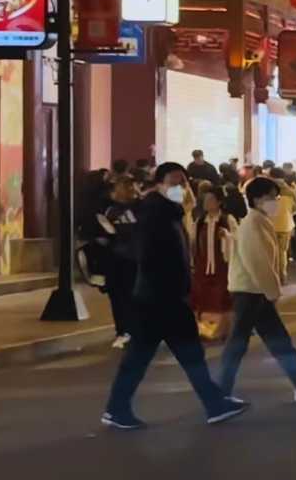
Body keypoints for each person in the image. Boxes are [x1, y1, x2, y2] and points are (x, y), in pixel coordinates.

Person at [101, 162, 249, 430]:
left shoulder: (168, 212)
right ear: (159, 184)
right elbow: (147, 254)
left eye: (183, 181)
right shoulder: (155, 213)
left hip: (162, 297)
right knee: (171, 354)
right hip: (160, 298)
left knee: (161, 355)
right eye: (174, 181)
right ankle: (213, 404)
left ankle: (119, 408)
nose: (181, 187)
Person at [215, 178, 296, 402]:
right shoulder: (253, 224)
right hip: (250, 291)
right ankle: (221, 392)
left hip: (253, 291)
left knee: (272, 339)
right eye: (271, 197)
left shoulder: (259, 221)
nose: (275, 202)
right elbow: (258, 263)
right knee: (242, 343)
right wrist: (272, 293)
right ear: (257, 199)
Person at [93, 173, 141, 347]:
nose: (127, 190)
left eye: (130, 186)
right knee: (117, 295)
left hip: (136, 259)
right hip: (115, 258)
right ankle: (122, 330)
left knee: (135, 295)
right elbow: (100, 232)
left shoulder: (140, 208)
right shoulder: (108, 210)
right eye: (123, 186)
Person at [188, 182, 234, 341]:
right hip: (203, 266)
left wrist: (227, 236)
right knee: (203, 298)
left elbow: (238, 240)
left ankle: (223, 331)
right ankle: (206, 331)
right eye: (206, 200)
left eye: (211, 200)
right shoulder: (200, 221)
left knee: (221, 298)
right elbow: (192, 243)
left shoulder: (227, 220)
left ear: (219, 202)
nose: (207, 203)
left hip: (222, 266)